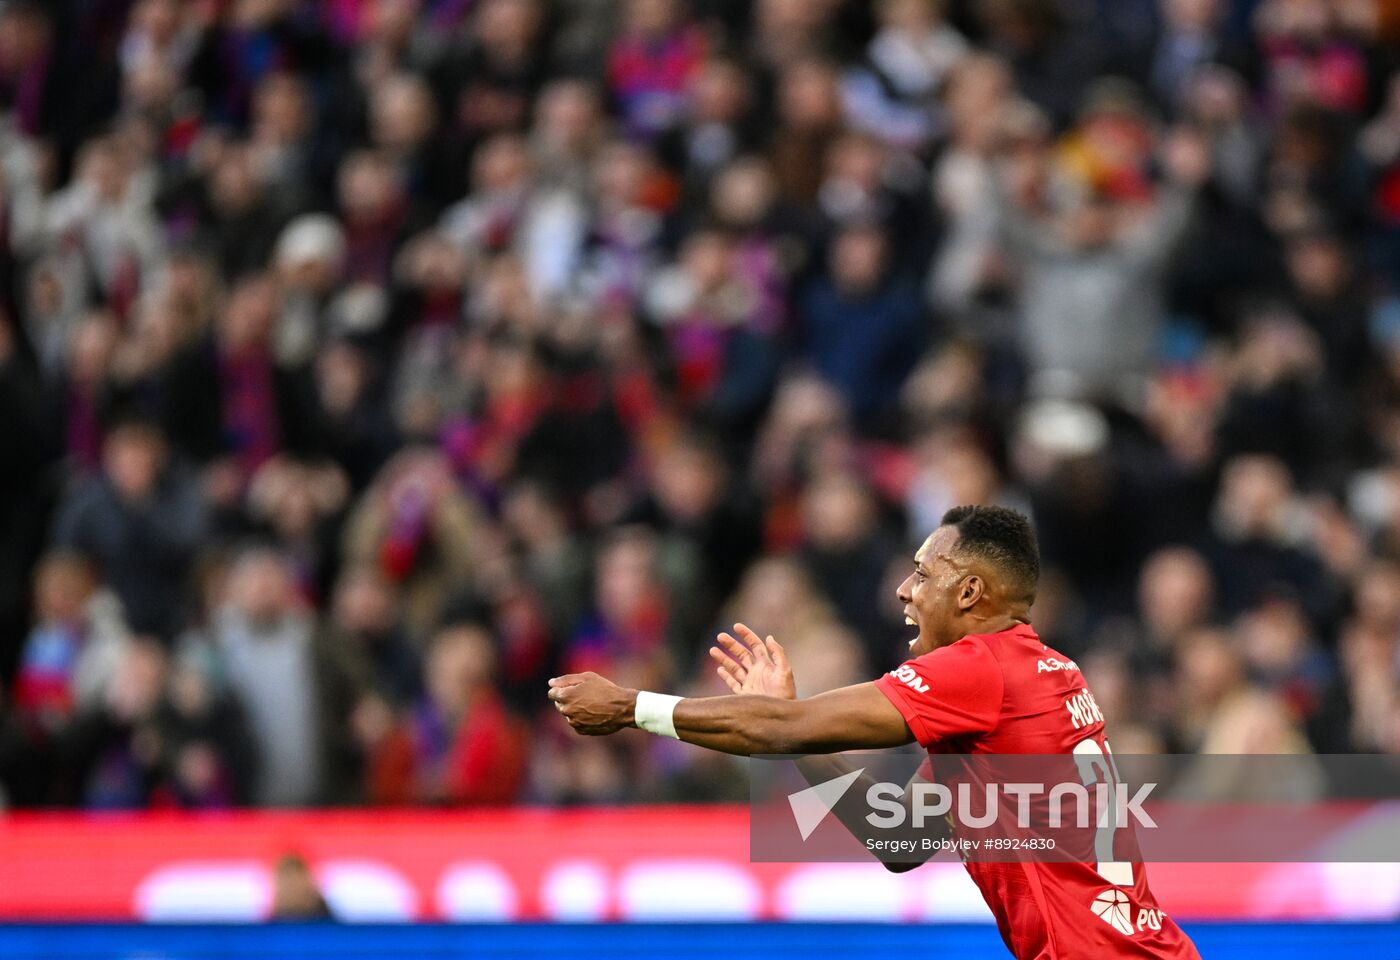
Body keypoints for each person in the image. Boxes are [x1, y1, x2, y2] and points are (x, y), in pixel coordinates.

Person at [549, 505, 1199, 960]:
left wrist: (633, 707)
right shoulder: (1039, 675)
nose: (903, 590)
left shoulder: (981, 670)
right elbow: (902, 838)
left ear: (971, 591)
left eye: (923, 573)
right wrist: (796, 738)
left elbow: (778, 727)